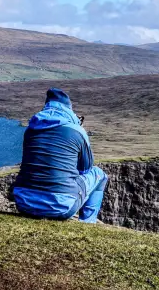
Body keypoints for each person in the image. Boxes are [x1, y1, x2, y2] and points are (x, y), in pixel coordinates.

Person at [12, 88, 108, 223]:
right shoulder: (77, 131)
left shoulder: (30, 129)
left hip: (23, 203)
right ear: (69, 109)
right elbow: (86, 169)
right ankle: (88, 222)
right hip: (61, 207)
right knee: (99, 174)